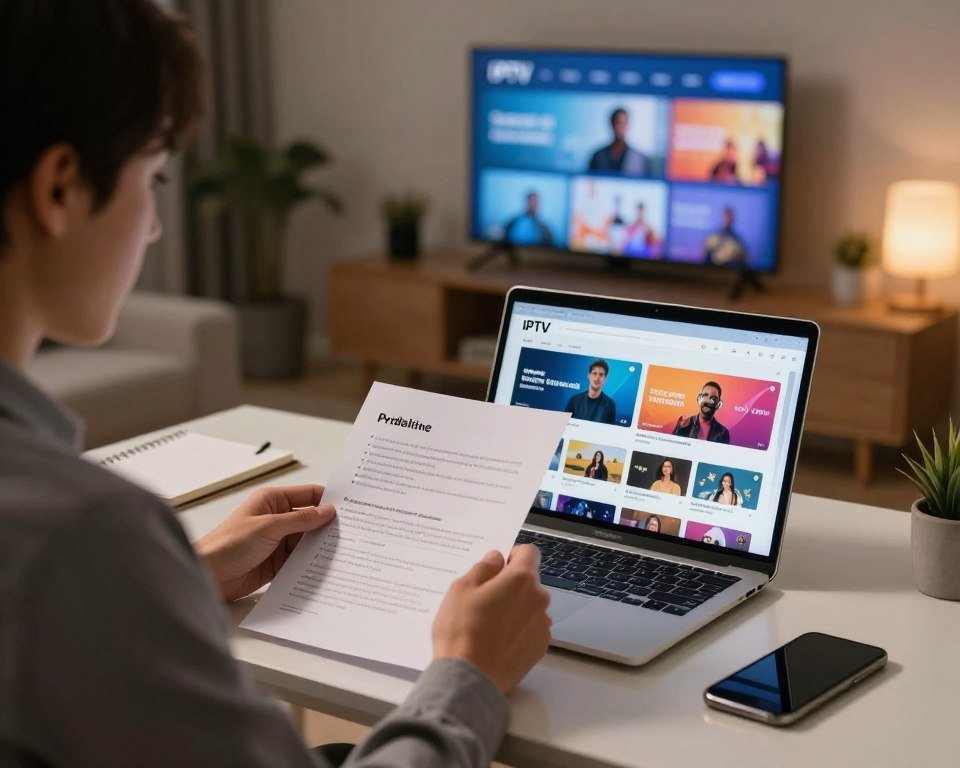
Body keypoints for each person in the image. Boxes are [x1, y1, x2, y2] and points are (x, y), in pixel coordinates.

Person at [0, 3, 551, 767]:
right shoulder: (82, 532)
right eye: (152, 177)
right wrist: (470, 675)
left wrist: (176, 581)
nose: (154, 226)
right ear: (60, 188)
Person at [587, 108, 650, 176]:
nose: (621, 127)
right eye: (618, 123)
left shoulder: (640, 160)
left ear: (628, 125)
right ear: (612, 125)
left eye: (624, 123)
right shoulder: (598, 157)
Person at [565, 359, 617, 425]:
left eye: (601, 374)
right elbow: (563, 425)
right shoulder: (574, 401)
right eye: (594, 373)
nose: (597, 377)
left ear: (605, 379)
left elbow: (610, 429)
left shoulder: (610, 405)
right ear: (589, 375)